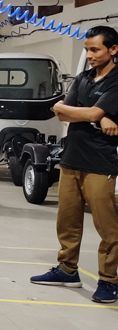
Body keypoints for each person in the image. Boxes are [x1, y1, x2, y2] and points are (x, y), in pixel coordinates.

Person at [31, 26, 118, 304]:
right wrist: (98, 117)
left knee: (107, 226)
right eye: (87, 50)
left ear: (113, 50)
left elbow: (75, 110)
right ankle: (68, 270)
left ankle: (109, 280)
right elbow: (61, 110)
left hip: (101, 161)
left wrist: (90, 113)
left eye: (95, 50)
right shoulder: (83, 78)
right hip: (72, 158)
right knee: (67, 220)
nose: (89, 55)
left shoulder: (116, 80)